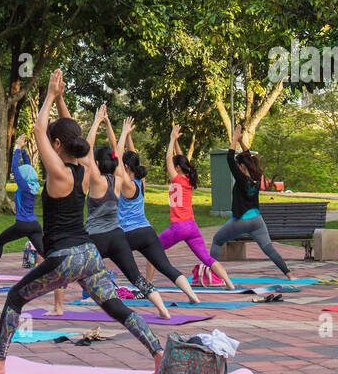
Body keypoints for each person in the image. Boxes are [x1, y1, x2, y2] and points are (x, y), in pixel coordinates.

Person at [0, 70, 166, 374]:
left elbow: (40, 131)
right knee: (117, 308)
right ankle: (158, 353)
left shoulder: (60, 173)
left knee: (14, 298)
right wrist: (62, 100)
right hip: (90, 256)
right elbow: (73, 138)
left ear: (56, 144)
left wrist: (51, 94)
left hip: (64, 258)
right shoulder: (84, 169)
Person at [79, 104, 174, 319]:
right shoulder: (119, 180)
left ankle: (60, 305)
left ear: (96, 163)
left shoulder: (95, 180)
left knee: (71, 268)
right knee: (137, 278)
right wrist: (120, 131)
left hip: (96, 238)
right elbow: (117, 151)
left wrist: (97, 121)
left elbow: (87, 147)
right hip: (118, 236)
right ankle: (163, 309)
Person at [115, 120, 199, 302]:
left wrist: (123, 133)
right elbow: (132, 158)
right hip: (147, 232)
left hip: (128, 235)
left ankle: (94, 293)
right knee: (167, 267)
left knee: (119, 265)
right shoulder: (140, 182)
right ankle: (192, 296)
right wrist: (129, 136)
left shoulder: (126, 185)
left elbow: (118, 157)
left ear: (126, 168)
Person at [147, 123, 235, 290]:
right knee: (207, 259)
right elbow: (181, 159)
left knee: (152, 252)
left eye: (175, 165)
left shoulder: (177, 179)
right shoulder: (188, 180)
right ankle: (229, 283)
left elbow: (168, 159)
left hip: (178, 227)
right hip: (192, 227)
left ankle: (148, 285)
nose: (172, 167)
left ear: (177, 168)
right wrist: (177, 144)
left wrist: (172, 139)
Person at [208, 125, 293, 279]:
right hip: (257, 220)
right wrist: (241, 142)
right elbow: (251, 159)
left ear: (241, 167)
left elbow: (229, 158)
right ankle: (289, 274)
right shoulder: (257, 176)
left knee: (217, 240)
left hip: (241, 220)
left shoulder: (242, 179)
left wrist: (234, 138)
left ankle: (211, 274)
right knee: (269, 248)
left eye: (239, 165)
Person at [0, 134, 45, 278]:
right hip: (34, 225)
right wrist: (24, 151)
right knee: (45, 252)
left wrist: (18, 148)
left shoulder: (24, 186)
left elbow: (14, 167)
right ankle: (58, 271)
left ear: (23, 176)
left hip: (22, 225)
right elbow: (28, 166)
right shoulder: (33, 186)